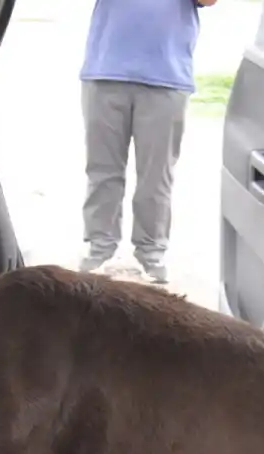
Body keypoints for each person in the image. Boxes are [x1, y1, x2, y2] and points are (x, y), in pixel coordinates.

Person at [78, 0, 218, 284]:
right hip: (105, 71)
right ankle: (100, 246)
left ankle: (151, 252)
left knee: (156, 176)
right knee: (102, 170)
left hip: (166, 77)